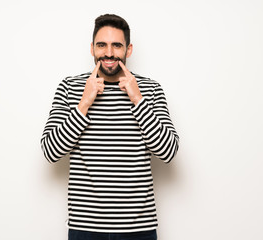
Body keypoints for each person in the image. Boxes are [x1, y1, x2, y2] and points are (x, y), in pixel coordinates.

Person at [41, 14, 179, 240]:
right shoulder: (70, 87)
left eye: (117, 45)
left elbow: (168, 151)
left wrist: (138, 100)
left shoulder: (150, 90)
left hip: (139, 229)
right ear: (92, 48)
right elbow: (50, 151)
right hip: (85, 227)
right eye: (101, 45)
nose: (109, 53)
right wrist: (84, 103)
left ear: (129, 49)